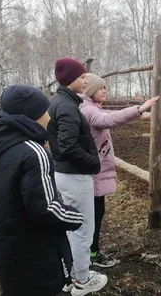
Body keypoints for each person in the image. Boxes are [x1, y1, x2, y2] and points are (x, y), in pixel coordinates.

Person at [0, 85, 84, 296]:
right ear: (34, 115)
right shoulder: (34, 152)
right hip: (35, 249)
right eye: (45, 110)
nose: (49, 115)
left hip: (4, 242)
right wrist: (75, 216)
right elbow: (45, 208)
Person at [79, 73, 159, 267]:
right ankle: (92, 254)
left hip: (94, 170)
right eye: (100, 88)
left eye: (105, 87)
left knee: (95, 212)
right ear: (90, 91)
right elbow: (108, 120)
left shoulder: (88, 108)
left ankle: (90, 251)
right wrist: (138, 109)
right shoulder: (89, 110)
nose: (104, 91)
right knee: (94, 214)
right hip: (94, 172)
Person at [47, 58, 107, 296]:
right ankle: (82, 281)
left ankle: (74, 274)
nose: (85, 80)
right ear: (71, 78)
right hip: (75, 176)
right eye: (82, 77)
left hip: (65, 174)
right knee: (83, 228)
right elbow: (68, 145)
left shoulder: (59, 102)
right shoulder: (69, 107)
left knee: (73, 226)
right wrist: (94, 163)